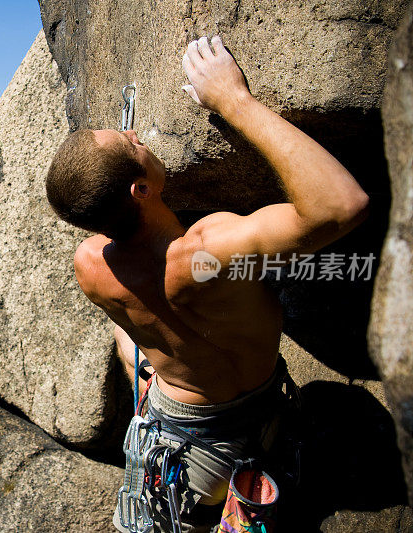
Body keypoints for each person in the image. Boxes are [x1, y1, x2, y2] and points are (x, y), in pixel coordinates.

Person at [45, 35, 369, 531]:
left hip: (182, 447)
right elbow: (341, 205)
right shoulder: (210, 252)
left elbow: (130, 325)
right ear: (141, 190)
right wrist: (234, 101)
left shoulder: (91, 265)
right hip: (258, 418)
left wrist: (146, 375)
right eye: (130, 143)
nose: (137, 136)